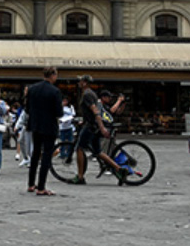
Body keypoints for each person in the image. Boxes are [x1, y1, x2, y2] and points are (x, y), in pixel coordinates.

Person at [69, 75, 127, 186]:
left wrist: (101, 127)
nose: (78, 83)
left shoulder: (87, 95)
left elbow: (95, 112)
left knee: (79, 148)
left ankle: (80, 177)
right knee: (98, 151)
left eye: (80, 81)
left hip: (91, 126)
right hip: (93, 125)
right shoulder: (92, 94)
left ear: (85, 83)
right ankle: (119, 169)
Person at [25, 66, 64, 196]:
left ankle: (31, 184)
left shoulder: (32, 89)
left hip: (35, 125)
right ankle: (41, 186)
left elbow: (27, 109)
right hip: (49, 126)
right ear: (53, 75)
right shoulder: (55, 91)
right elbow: (59, 112)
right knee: (46, 155)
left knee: (35, 154)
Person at [57, 94, 76, 162]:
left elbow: (73, 115)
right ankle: (62, 154)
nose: (65, 102)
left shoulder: (70, 107)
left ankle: (69, 154)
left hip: (69, 126)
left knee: (70, 141)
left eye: (66, 101)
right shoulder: (59, 107)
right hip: (62, 127)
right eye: (63, 101)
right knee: (62, 141)